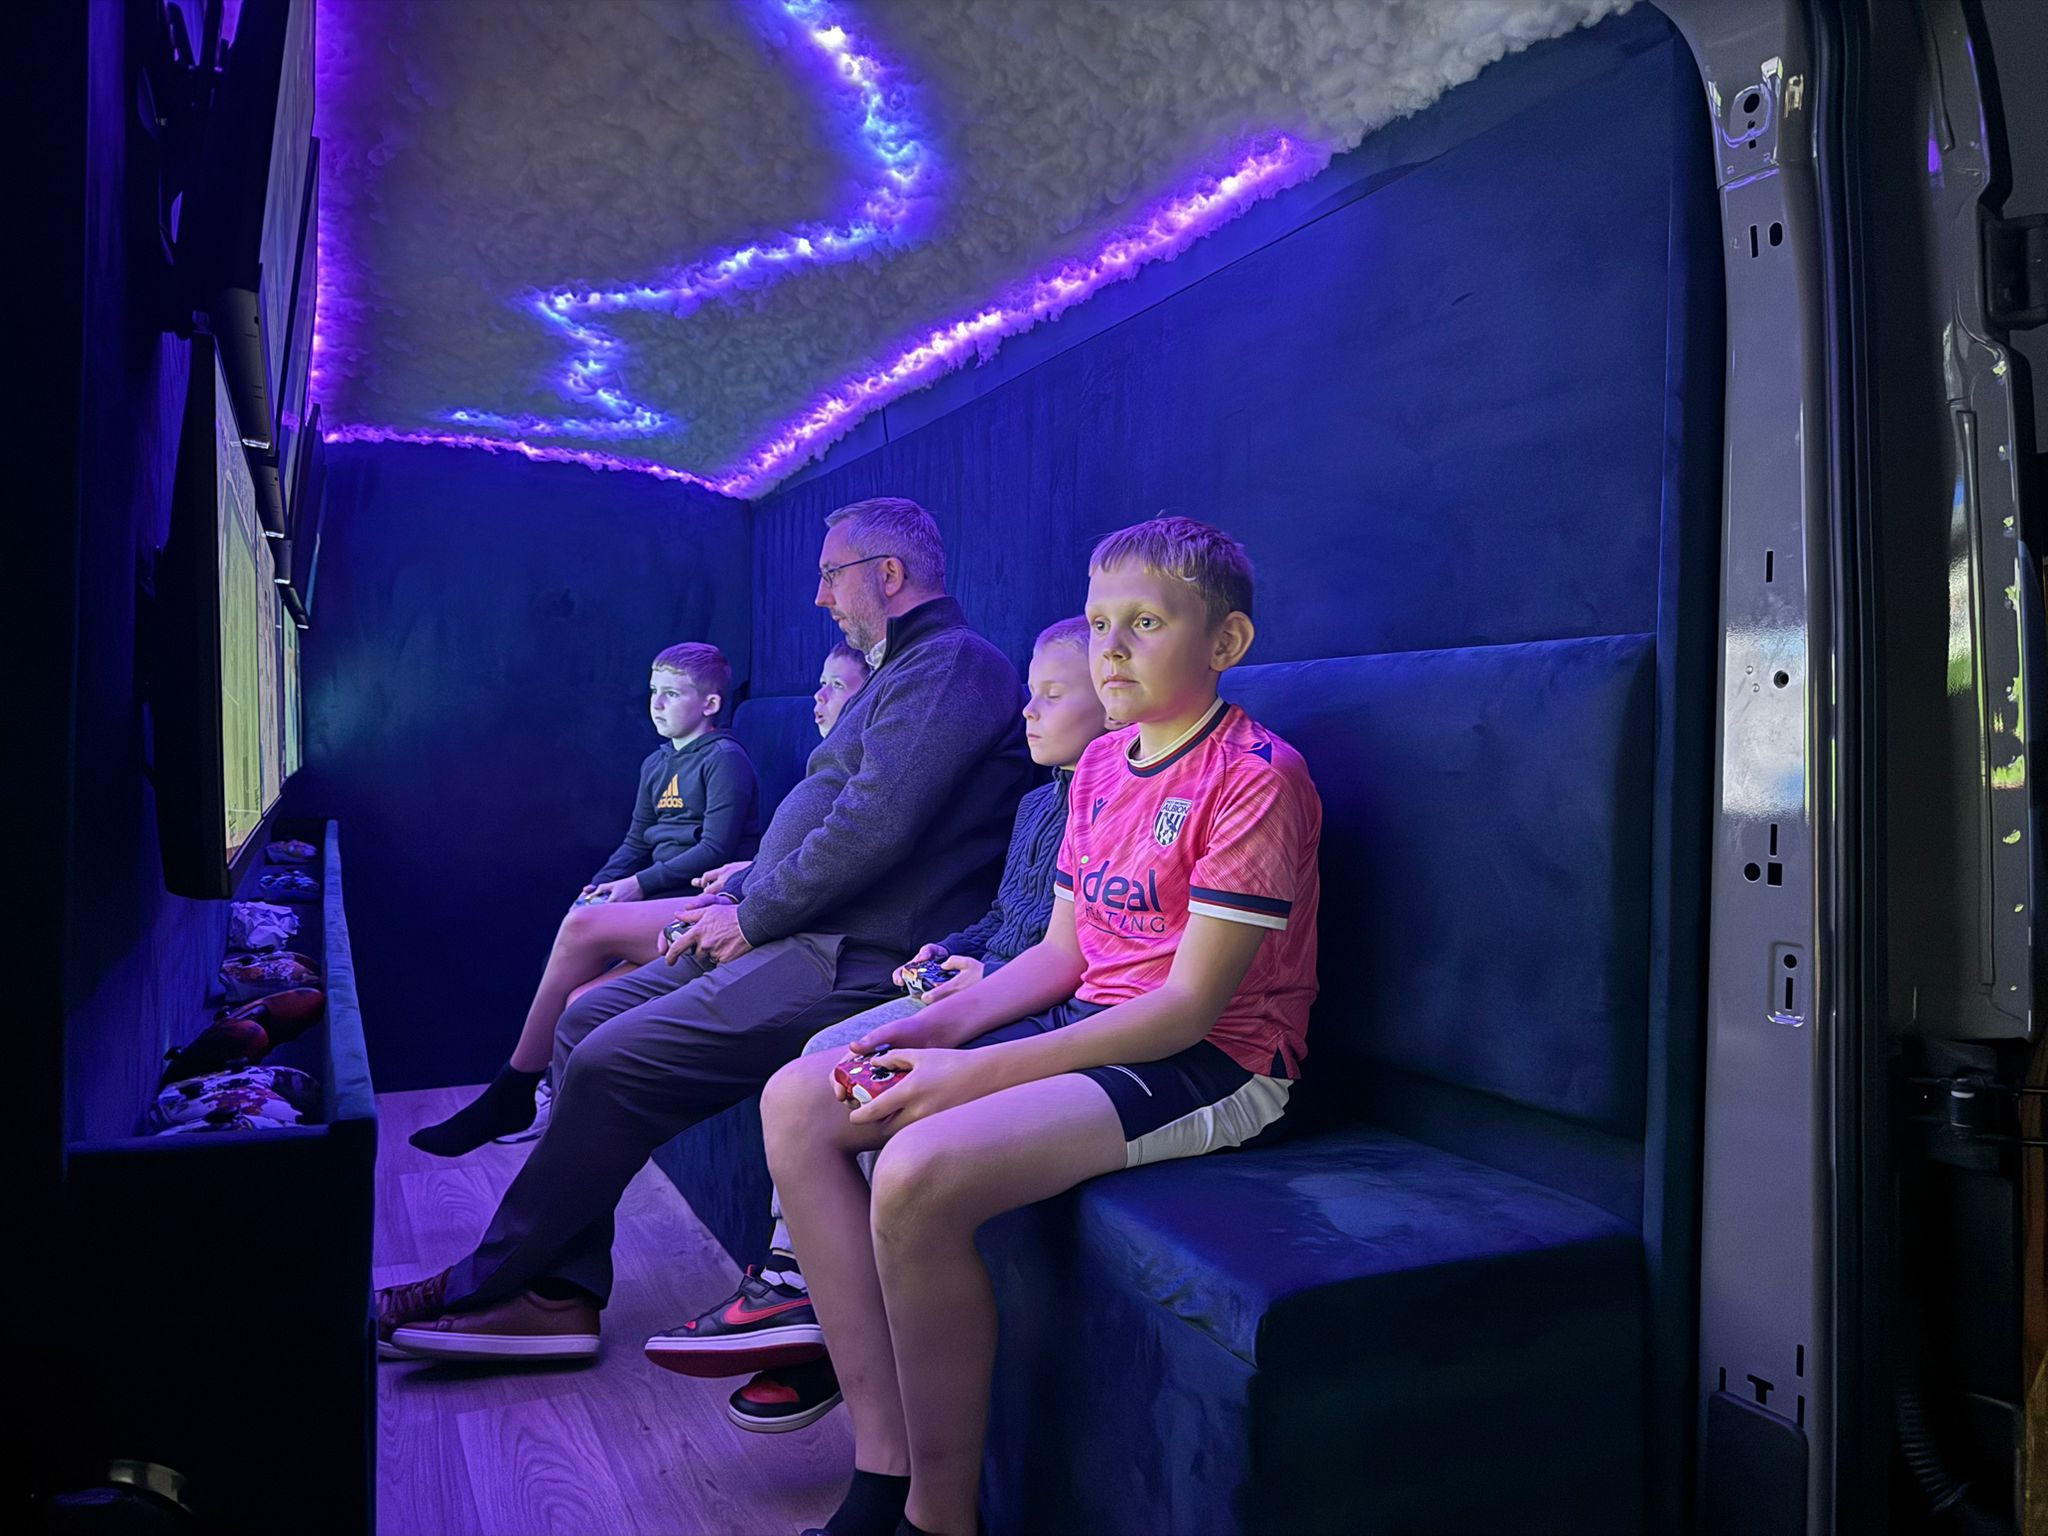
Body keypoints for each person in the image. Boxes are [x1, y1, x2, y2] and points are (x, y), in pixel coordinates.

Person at [763, 517, 1323, 1536]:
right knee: (799, 1097)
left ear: (1225, 642)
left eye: (1144, 623)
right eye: (1100, 622)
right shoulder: (1101, 766)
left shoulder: (1254, 775)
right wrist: (938, 1030)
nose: (1111, 648)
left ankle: (939, 1519)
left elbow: (1186, 1009)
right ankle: (880, 1470)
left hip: (1215, 1058)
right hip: (1095, 1017)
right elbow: (1062, 956)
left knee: (917, 1166)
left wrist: (973, 1075)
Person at [377, 497, 1034, 1364]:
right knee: (582, 1017)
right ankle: (559, 1293)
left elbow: (872, 825)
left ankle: (491, 1283)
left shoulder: (952, 664)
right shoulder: (903, 671)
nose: (819, 597)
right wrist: (744, 896)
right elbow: (831, 818)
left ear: (888, 574)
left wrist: (753, 914)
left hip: (854, 956)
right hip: (799, 930)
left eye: (831, 575)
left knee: (612, 1059)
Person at [642, 617, 1111, 1437]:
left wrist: (984, 974)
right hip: (977, 982)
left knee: (840, 1056)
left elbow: (1078, 949)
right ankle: (809, 1298)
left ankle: (805, 1296)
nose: (1027, 712)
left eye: (1050, 695)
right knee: (828, 1059)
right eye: (1029, 693)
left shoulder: (1112, 804)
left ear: (1111, 704)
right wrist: (950, 948)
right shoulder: (1040, 802)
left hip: (1028, 1003)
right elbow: (1003, 917)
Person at [409, 643, 759, 1157]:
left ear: (710, 704)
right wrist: (599, 889)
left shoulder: (725, 759)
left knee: (579, 935)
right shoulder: (657, 763)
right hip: (654, 905)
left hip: (701, 904)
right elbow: (635, 842)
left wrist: (636, 887)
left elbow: (715, 850)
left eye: (672, 694)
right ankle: (556, 1125)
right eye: (653, 692)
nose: (657, 704)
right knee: (581, 999)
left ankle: (512, 1092)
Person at [693, 642, 875, 900]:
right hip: (756, 887)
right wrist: (751, 869)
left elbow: (827, 860)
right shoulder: (824, 762)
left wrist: (744, 886)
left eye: (837, 685)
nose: (819, 695)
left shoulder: (865, 773)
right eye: (822, 682)